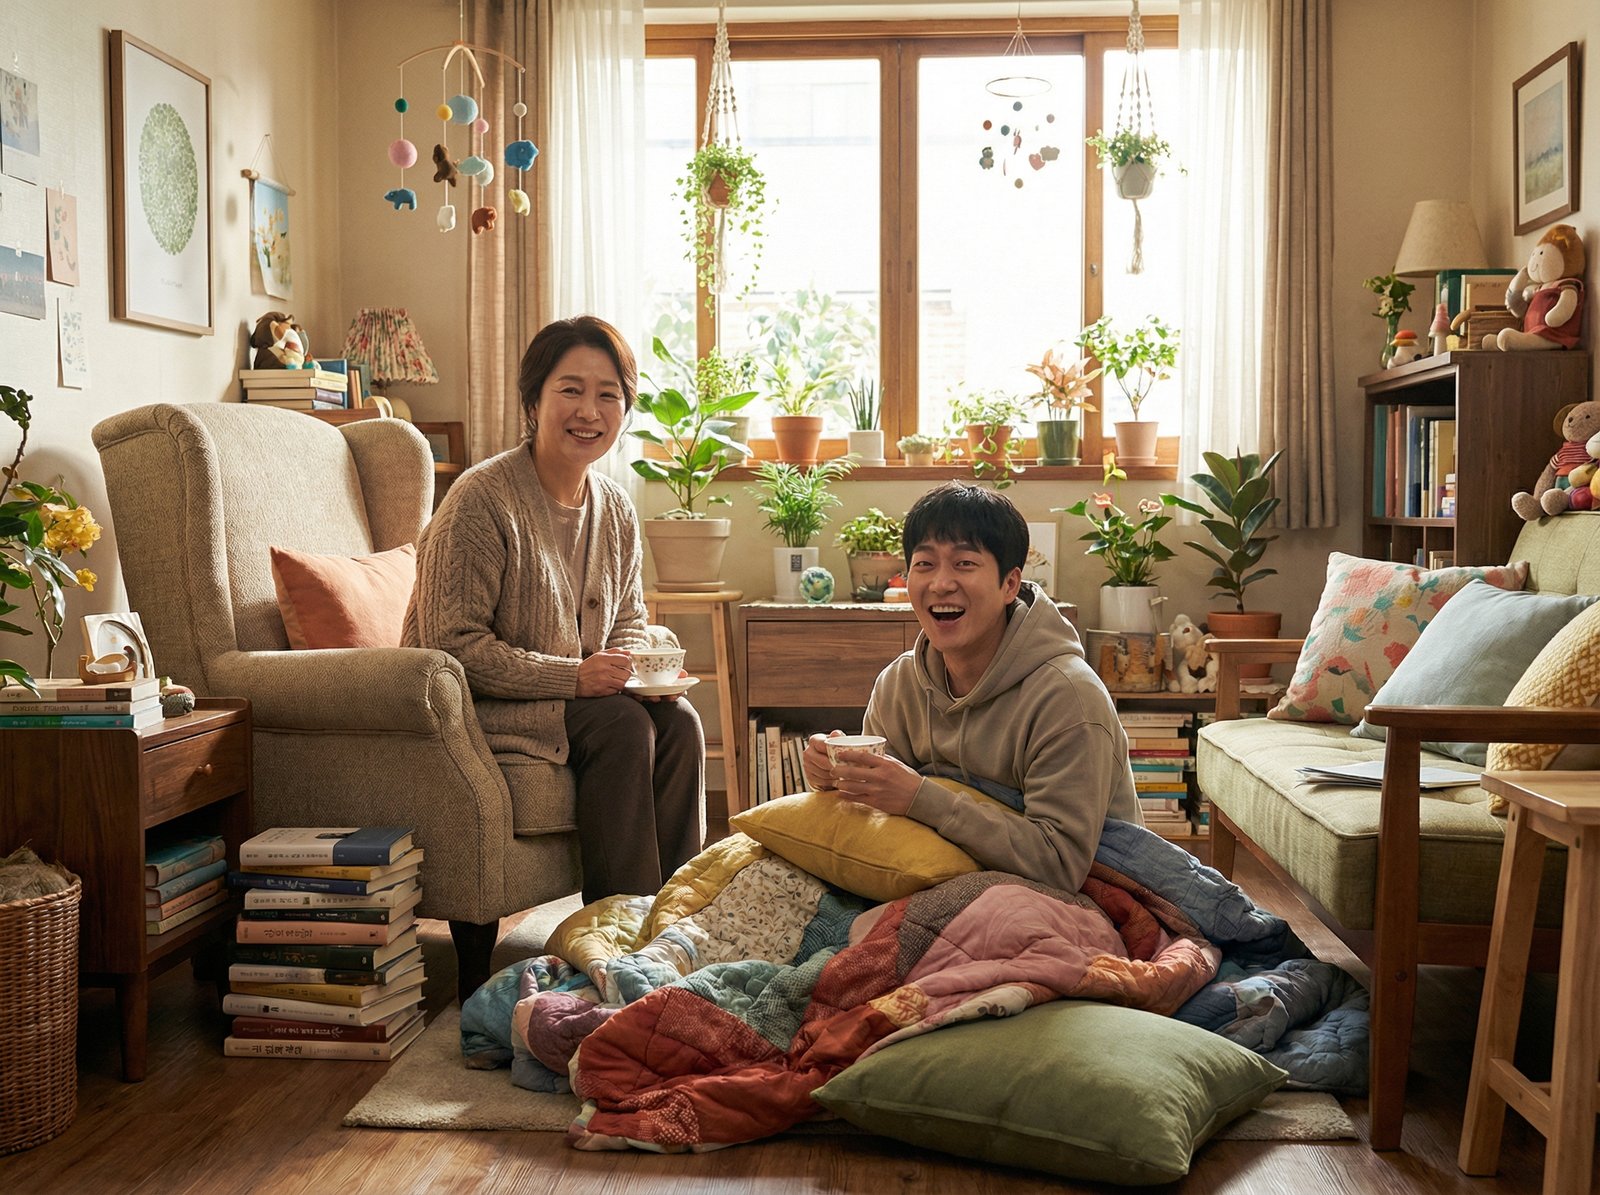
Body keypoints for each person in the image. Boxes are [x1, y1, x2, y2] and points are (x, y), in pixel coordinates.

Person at [405, 315, 704, 909]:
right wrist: (571, 677)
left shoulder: (615, 507)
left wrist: (646, 677)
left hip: (584, 701)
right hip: (488, 709)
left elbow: (626, 621)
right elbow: (450, 645)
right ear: (533, 399)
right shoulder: (481, 499)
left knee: (679, 725)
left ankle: (678, 920)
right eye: (571, 390)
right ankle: (616, 935)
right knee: (623, 729)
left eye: (608, 395)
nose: (589, 411)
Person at [801, 481, 1140, 893]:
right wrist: (835, 776)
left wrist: (919, 798)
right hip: (937, 884)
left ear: (1010, 585)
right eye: (924, 564)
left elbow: (1060, 865)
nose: (941, 583)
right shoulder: (899, 684)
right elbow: (880, 825)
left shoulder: (1068, 695)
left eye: (964, 563)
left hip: (1089, 896)